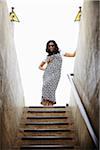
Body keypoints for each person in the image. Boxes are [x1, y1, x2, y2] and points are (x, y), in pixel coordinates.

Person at [39, 40, 76, 107]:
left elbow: (72, 55)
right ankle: (46, 105)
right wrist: (46, 68)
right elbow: (40, 66)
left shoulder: (60, 52)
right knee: (45, 86)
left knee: (52, 89)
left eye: (52, 45)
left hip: (56, 74)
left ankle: (50, 104)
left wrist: (77, 48)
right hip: (47, 74)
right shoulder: (47, 57)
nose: (51, 47)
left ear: (55, 46)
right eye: (49, 46)